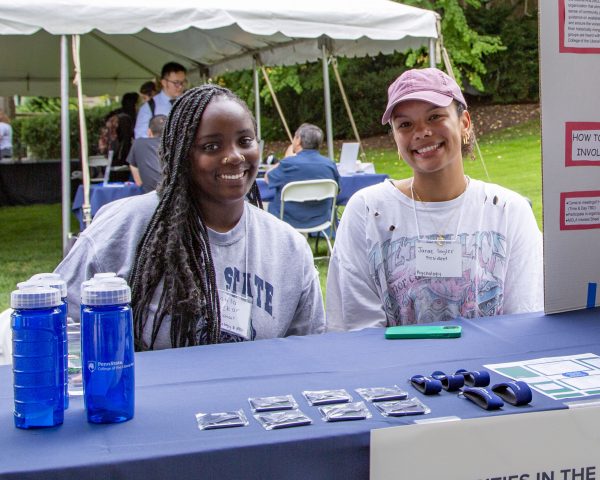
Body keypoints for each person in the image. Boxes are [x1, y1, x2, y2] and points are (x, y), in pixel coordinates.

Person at [55, 85, 325, 351]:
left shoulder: (287, 246)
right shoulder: (124, 228)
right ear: (182, 155)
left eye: (245, 141)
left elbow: (308, 350)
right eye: (212, 145)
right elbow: (56, 323)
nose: (234, 156)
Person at [326, 67, 543, 331]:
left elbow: (523, 320)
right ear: (395, 137)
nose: (421, 132)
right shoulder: (367, 211)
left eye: (435, 116)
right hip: (392, 370)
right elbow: (356, 327)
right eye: (405, 124)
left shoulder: (508, 211)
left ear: (464, 123)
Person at [265, 123, 340, 227]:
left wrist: (286, 158)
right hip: (321, 219)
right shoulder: (329, 165)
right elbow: (337, 191)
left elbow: (268, 177)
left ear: (298, 140)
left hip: (286, 219)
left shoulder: (288, 164)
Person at [134, 62, 187, 139]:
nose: (180, 86)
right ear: (164, 82)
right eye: (176, 83)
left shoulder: (189, 102)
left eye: (183, 82)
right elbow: (141, 140)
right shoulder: (149, 108)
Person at [126, 114, 166, 193]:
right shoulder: (177, 144)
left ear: (149, 132)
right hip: (177, 195)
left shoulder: (138, 144)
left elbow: (138, 181)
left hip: (152, 195)